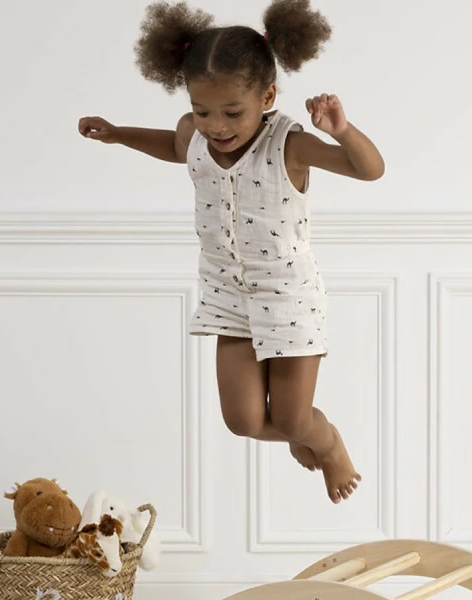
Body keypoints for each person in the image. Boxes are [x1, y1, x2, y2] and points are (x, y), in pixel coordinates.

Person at [79, 0, 384, 503]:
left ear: (267, 95)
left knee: (293, 418)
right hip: (227, 295)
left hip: (288, 297)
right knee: (242, 421)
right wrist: (117, 134)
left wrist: (342, 132)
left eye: (232, 113)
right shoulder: (194, 136)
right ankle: (303, 434)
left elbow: (369, 170)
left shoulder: (289, 144)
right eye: (202, 111)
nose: (215, 126)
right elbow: (173, 146)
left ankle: (325, 440)